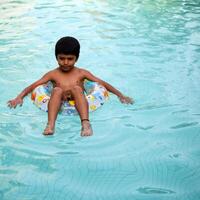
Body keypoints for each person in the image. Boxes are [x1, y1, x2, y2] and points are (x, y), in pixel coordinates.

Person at [7, 36, 133, 136]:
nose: (65, 62)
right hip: (59, 100)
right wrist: (19, 97)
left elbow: (102, 83)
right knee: (57, 90)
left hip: (78, 99)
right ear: (56, 57)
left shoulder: (82, 73)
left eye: (70, 59)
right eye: (61, 58)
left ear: (76, 58)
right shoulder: (53, 74)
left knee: (77, 89)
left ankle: (85, 123)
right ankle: (51, 124)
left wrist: (120, 96)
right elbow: (33, 86)